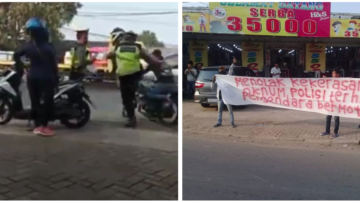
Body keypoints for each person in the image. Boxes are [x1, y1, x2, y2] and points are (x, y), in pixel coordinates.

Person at [13, 17, 58, 137]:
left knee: (35, 102)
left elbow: (16, 54)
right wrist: (56, 79)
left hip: (32, 77)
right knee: (46, 102)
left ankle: (37, 125)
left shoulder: (29, 46)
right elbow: (54, 65)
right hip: (46, 78)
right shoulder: (49, 47)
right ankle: (43, 127)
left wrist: (21, 68)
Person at [107, 30, 161, 127]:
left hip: (123, 76)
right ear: (134, 39)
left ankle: (131, 119)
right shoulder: (137, 47)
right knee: (137, 91)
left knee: (126, 98)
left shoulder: (118, 47)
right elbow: (149, 59)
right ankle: (137, 101)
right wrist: (158, 62)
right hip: (135, 75)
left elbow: (108, 55)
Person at [212, 58, 236, 128]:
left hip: (227, 97)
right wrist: (213, 80)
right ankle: (219, 122)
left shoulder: (227, 77)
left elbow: (231, 70)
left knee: (230, 111)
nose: (221, 71)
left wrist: (233, 64)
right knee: (219, 111)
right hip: (220, 97)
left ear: (224, 71)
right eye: (220, 70)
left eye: (222, 70)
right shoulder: (217, 78)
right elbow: (213, 86)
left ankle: (232, 123)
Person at [321, 69, 341, 138]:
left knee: (336, 118)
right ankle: (327, 131)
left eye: (334, 73)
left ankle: (335, 132)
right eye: (332, 73)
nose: (333, 75)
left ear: (338, 75)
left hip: (337, 103)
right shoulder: (331, 81)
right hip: (330, 102)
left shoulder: (341, 82)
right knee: (328, 117)